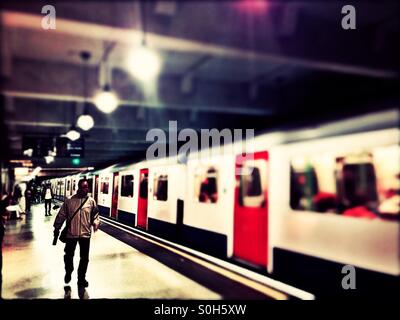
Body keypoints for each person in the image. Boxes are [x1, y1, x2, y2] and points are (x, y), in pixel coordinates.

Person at [53, 179, 100, 299]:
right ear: (78, 188)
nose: (86, 189)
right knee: (68, 256)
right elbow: (61, 215)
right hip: (71, 234)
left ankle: (81, 279)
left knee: (84, 258)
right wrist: (56, 228)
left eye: (87, 187)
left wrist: (96, 222)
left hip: (85, 235)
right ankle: (69, 271)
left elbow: (95, 215)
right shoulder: (69, 201)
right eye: (84, 187)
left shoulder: (91, 201)